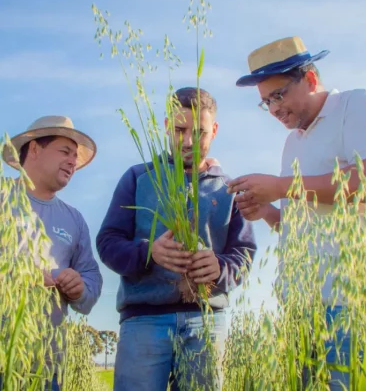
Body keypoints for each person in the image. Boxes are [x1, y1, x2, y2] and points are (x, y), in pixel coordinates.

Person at [227, 36, 366, 390]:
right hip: (300, 307)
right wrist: (268, 212)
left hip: (350, 300)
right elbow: (302, 223)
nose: (274, 109)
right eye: (265, 102)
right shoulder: (293, 142)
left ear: (309, 79)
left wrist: (280, 186)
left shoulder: (357, 104)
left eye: (279, 95)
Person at [96, 87, 258, 391]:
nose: (188, 141)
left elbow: (244, 252)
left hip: (208, 322)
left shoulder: (229, 189)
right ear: (167, 126)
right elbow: (107, 242)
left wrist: (220, 268)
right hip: (142, 321)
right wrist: (148, 253)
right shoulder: (137, 177)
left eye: (199, 132)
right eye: (180, 129)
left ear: (215, 130)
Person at [0, 115, 104, 391]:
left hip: (44, 368)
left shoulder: (75, 220)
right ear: (34, 149)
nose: (73, 161)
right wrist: (34, 275)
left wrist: (79, 288)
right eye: (65, 152)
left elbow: (91, 280)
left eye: (75, 156)